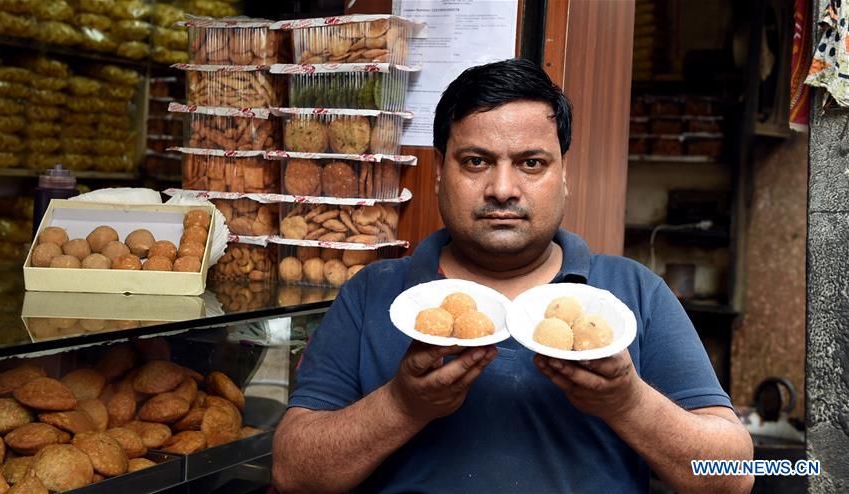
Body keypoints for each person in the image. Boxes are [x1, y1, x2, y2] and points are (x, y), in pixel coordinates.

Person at [272, 58, 753, 493]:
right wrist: (402, 405)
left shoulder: (633, 294)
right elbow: (292, 472)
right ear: (440, 173)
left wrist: (628, 404)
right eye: (476, 162)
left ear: (563, 176)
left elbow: (734, 476)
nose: (503, 189)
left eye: (531, 163)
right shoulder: (372, 293)